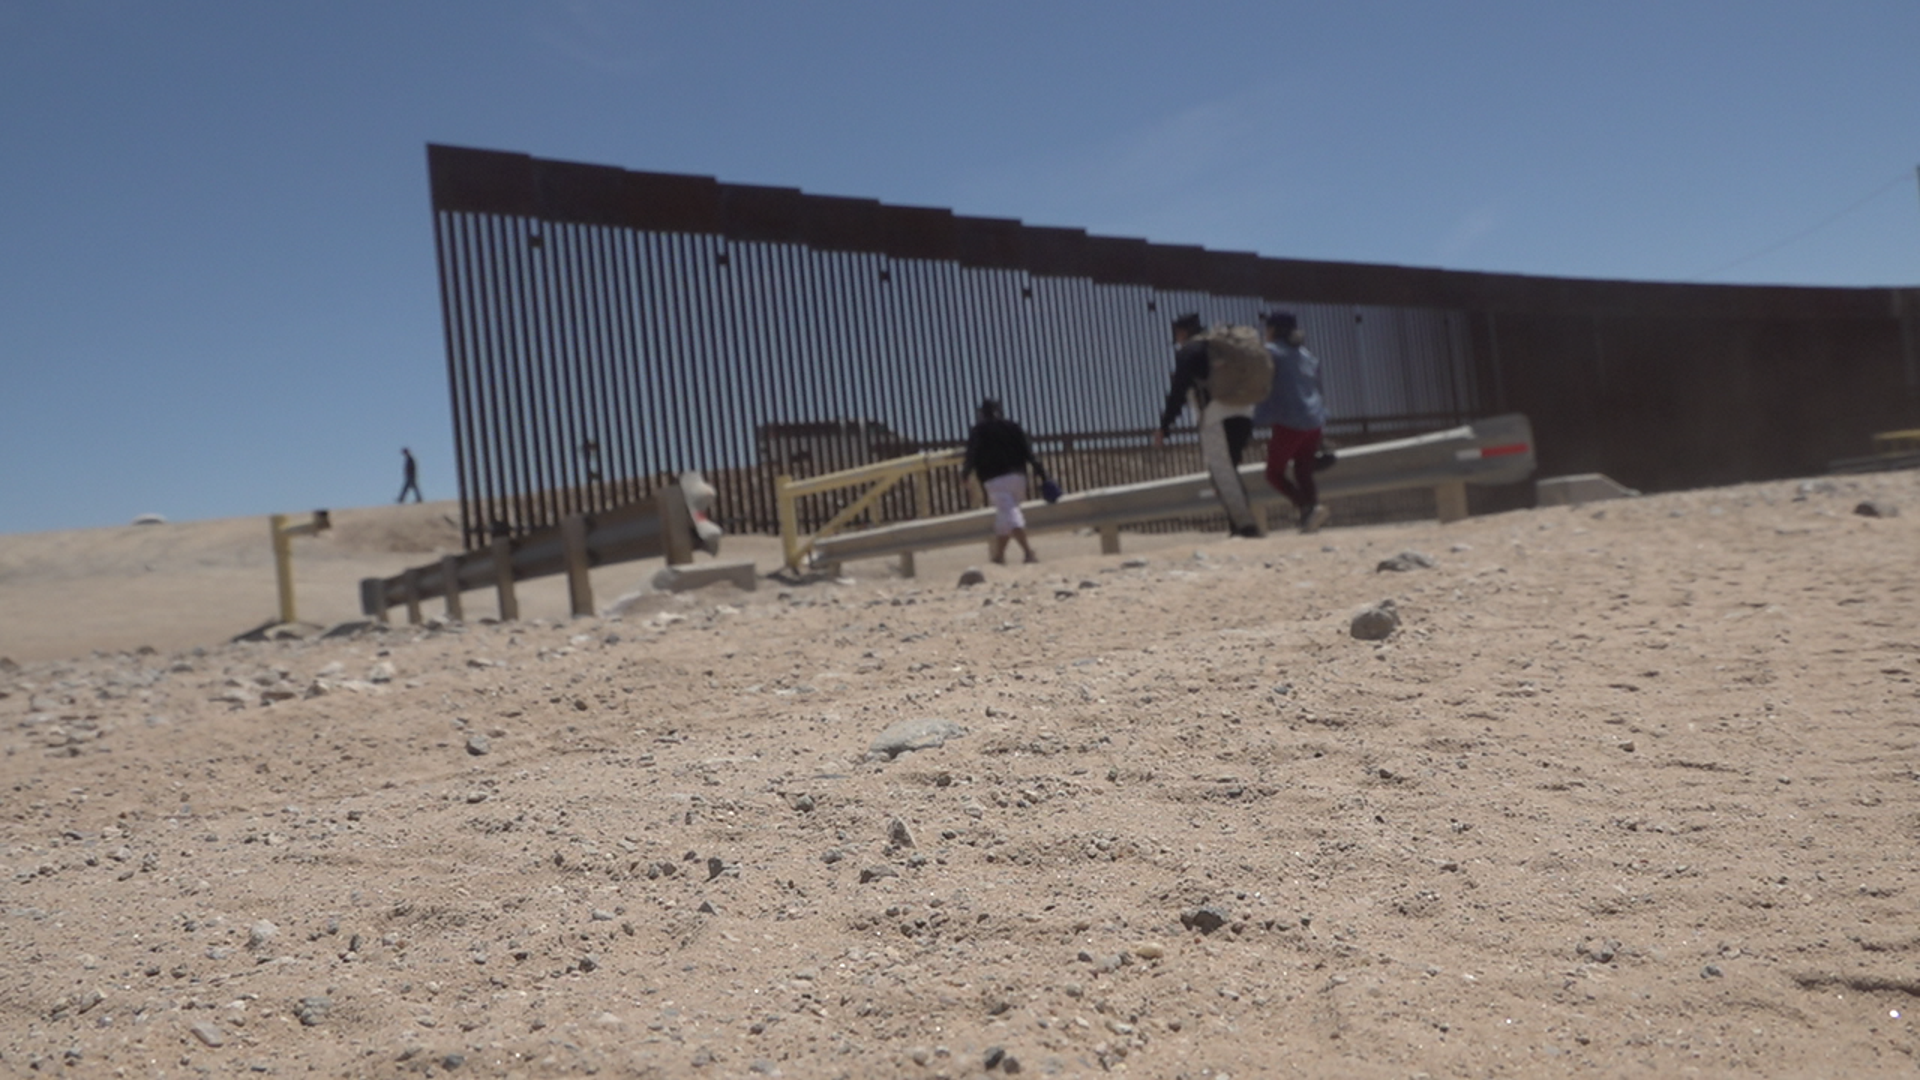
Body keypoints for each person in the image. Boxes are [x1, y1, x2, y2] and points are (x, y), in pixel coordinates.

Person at [1153, 313, 1260, 537]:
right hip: (1245, 411)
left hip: (1216, 415)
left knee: (1221, 472)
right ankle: (1238, 525)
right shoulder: (1220, 347)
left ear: (1182, 332)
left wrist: (1165, 426)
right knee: (1229, 469)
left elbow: (1178, 391)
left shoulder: (1190, 351)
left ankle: (1246, 527)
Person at [1253, 312, 1331, 532]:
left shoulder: (1271, 352)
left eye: (1267, 329)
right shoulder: (1307, 355)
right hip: (1314, 421)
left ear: (1273, 330)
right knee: (1303, 471)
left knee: (1274, 473)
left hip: (1289, 422)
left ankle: (1307, 508)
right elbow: (1318, 388)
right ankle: (1311, 519)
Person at [963, 398, 1048, 564]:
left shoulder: (979, 430)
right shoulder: (1013, 427)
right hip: (1018, 478)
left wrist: (965, 474)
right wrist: (1043, 475)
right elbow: (1029, 453)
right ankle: (999, 556)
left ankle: (1028, 552)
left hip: (994, 479)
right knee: (1006, 514)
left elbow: (971, 454)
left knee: (1010, 515)